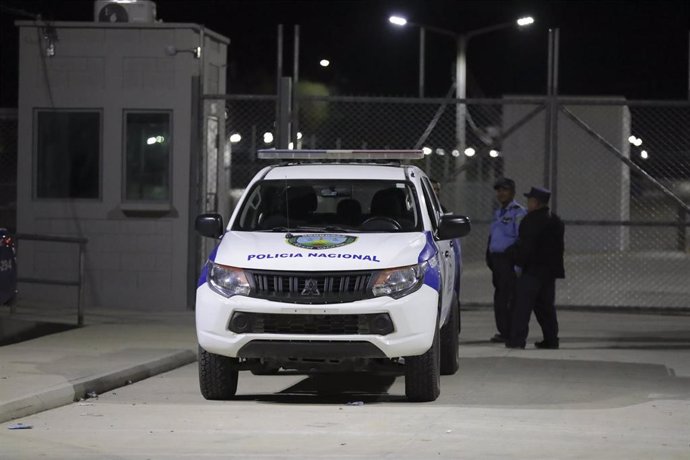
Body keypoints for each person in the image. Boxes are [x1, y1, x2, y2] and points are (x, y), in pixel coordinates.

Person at [505, 186, 565, 349]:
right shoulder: (555, 220)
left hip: (532, 271)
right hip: (549, 272)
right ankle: (551, 339)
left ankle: (517, 341)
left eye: (530, 200)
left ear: (536, 202)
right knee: (546, 307)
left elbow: (526, 246)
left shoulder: (530, 220)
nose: (528, 203)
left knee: (521, 307)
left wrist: (517, 262)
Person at [486, 178, 526, 343]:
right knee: (500, 297)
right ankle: (504, 330)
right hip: (497, 261)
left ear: (512, 192)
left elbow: (521, 239)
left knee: (508, 299)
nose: (501, 193)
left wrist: (516, 265)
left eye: (505, 190)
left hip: (508, 261)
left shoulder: (518, 212)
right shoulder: (499, 212)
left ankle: (510, 332)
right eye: (499, 190)